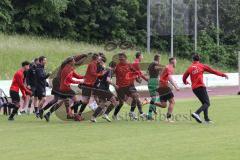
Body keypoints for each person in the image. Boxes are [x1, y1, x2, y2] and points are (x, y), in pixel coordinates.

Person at [182, 54, 228, 124]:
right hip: (200, 86)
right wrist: (222, 74)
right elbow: (213, 71)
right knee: (207, 103)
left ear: (193, 60)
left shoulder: (190, 68)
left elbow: (184, 77)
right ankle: (196, 113)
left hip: (194, 89)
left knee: (204, 103)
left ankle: (206, 119)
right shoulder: (201, 66)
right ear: (199, 59)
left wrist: (185, 82)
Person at [43, 56, 84, 122]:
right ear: (70, 62)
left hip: (63, 88)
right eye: (73, 61)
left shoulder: (70, 68)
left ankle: (48, 114)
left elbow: (76, 76)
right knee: (76, 100)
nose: (75, 62)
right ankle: (75, 115)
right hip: (65, 88)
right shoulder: (66, 69)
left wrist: (84, 77)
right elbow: (70, 80)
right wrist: (80, 81)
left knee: (60, 102)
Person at [112, 53, 146, 120]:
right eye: (119, 58)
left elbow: (136, 72)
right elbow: (111, 73)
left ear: (125, 58)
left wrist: (138, 78)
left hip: (128, 86)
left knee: (136, 96)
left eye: (122, 58)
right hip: (120, 87)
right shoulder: (117, 66)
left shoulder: (129, 65)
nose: (120, 59)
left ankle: (132, 112)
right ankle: (114, 115)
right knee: (121, 103)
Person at [150, 57, 180, 122]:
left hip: (161, 87)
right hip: (164, 87)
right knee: (172, 102)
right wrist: (175, 86)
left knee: (164, 105)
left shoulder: (166, 67)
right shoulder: (169, 68)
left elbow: (161, 76)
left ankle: (150, 102)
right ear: (173, 62)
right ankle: (168, 118)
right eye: (176, 61)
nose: (176, 63)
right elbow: (169, 78)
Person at [77, 53, 105, 119]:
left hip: (90, 84)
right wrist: (101, 74)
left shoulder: (95, 64)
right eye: (99, 58)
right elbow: (92, 73)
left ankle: (78, 114)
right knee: (85, 101)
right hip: (87, 84)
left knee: (86, 100)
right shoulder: (92, 64)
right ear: (96, 58)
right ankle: (77, 114)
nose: (100, 59)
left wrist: (101, 69)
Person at [129, 52, 149, 120]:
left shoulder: (135, 63)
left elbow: (135, 73)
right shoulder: (136, 63)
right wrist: (146, 79)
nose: (142, 57)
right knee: (136, 97)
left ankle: (136, 113)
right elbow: (139, 73)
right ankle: (138, 113)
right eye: (142, 56)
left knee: (136, 98)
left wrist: (137, 78)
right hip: (128, 83)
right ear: (139, 56)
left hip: (130, 83)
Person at [147, 54, 163, 120]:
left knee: (155, 97)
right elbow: (157, 68)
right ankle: (150, 114)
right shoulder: (156, 64)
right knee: (160, 95)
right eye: (160, 59)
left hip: (150, 80)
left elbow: (147, 72)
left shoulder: (150, 64)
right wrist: (162, 69)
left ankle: (153, 108)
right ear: (158, 59)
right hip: (154, 80)